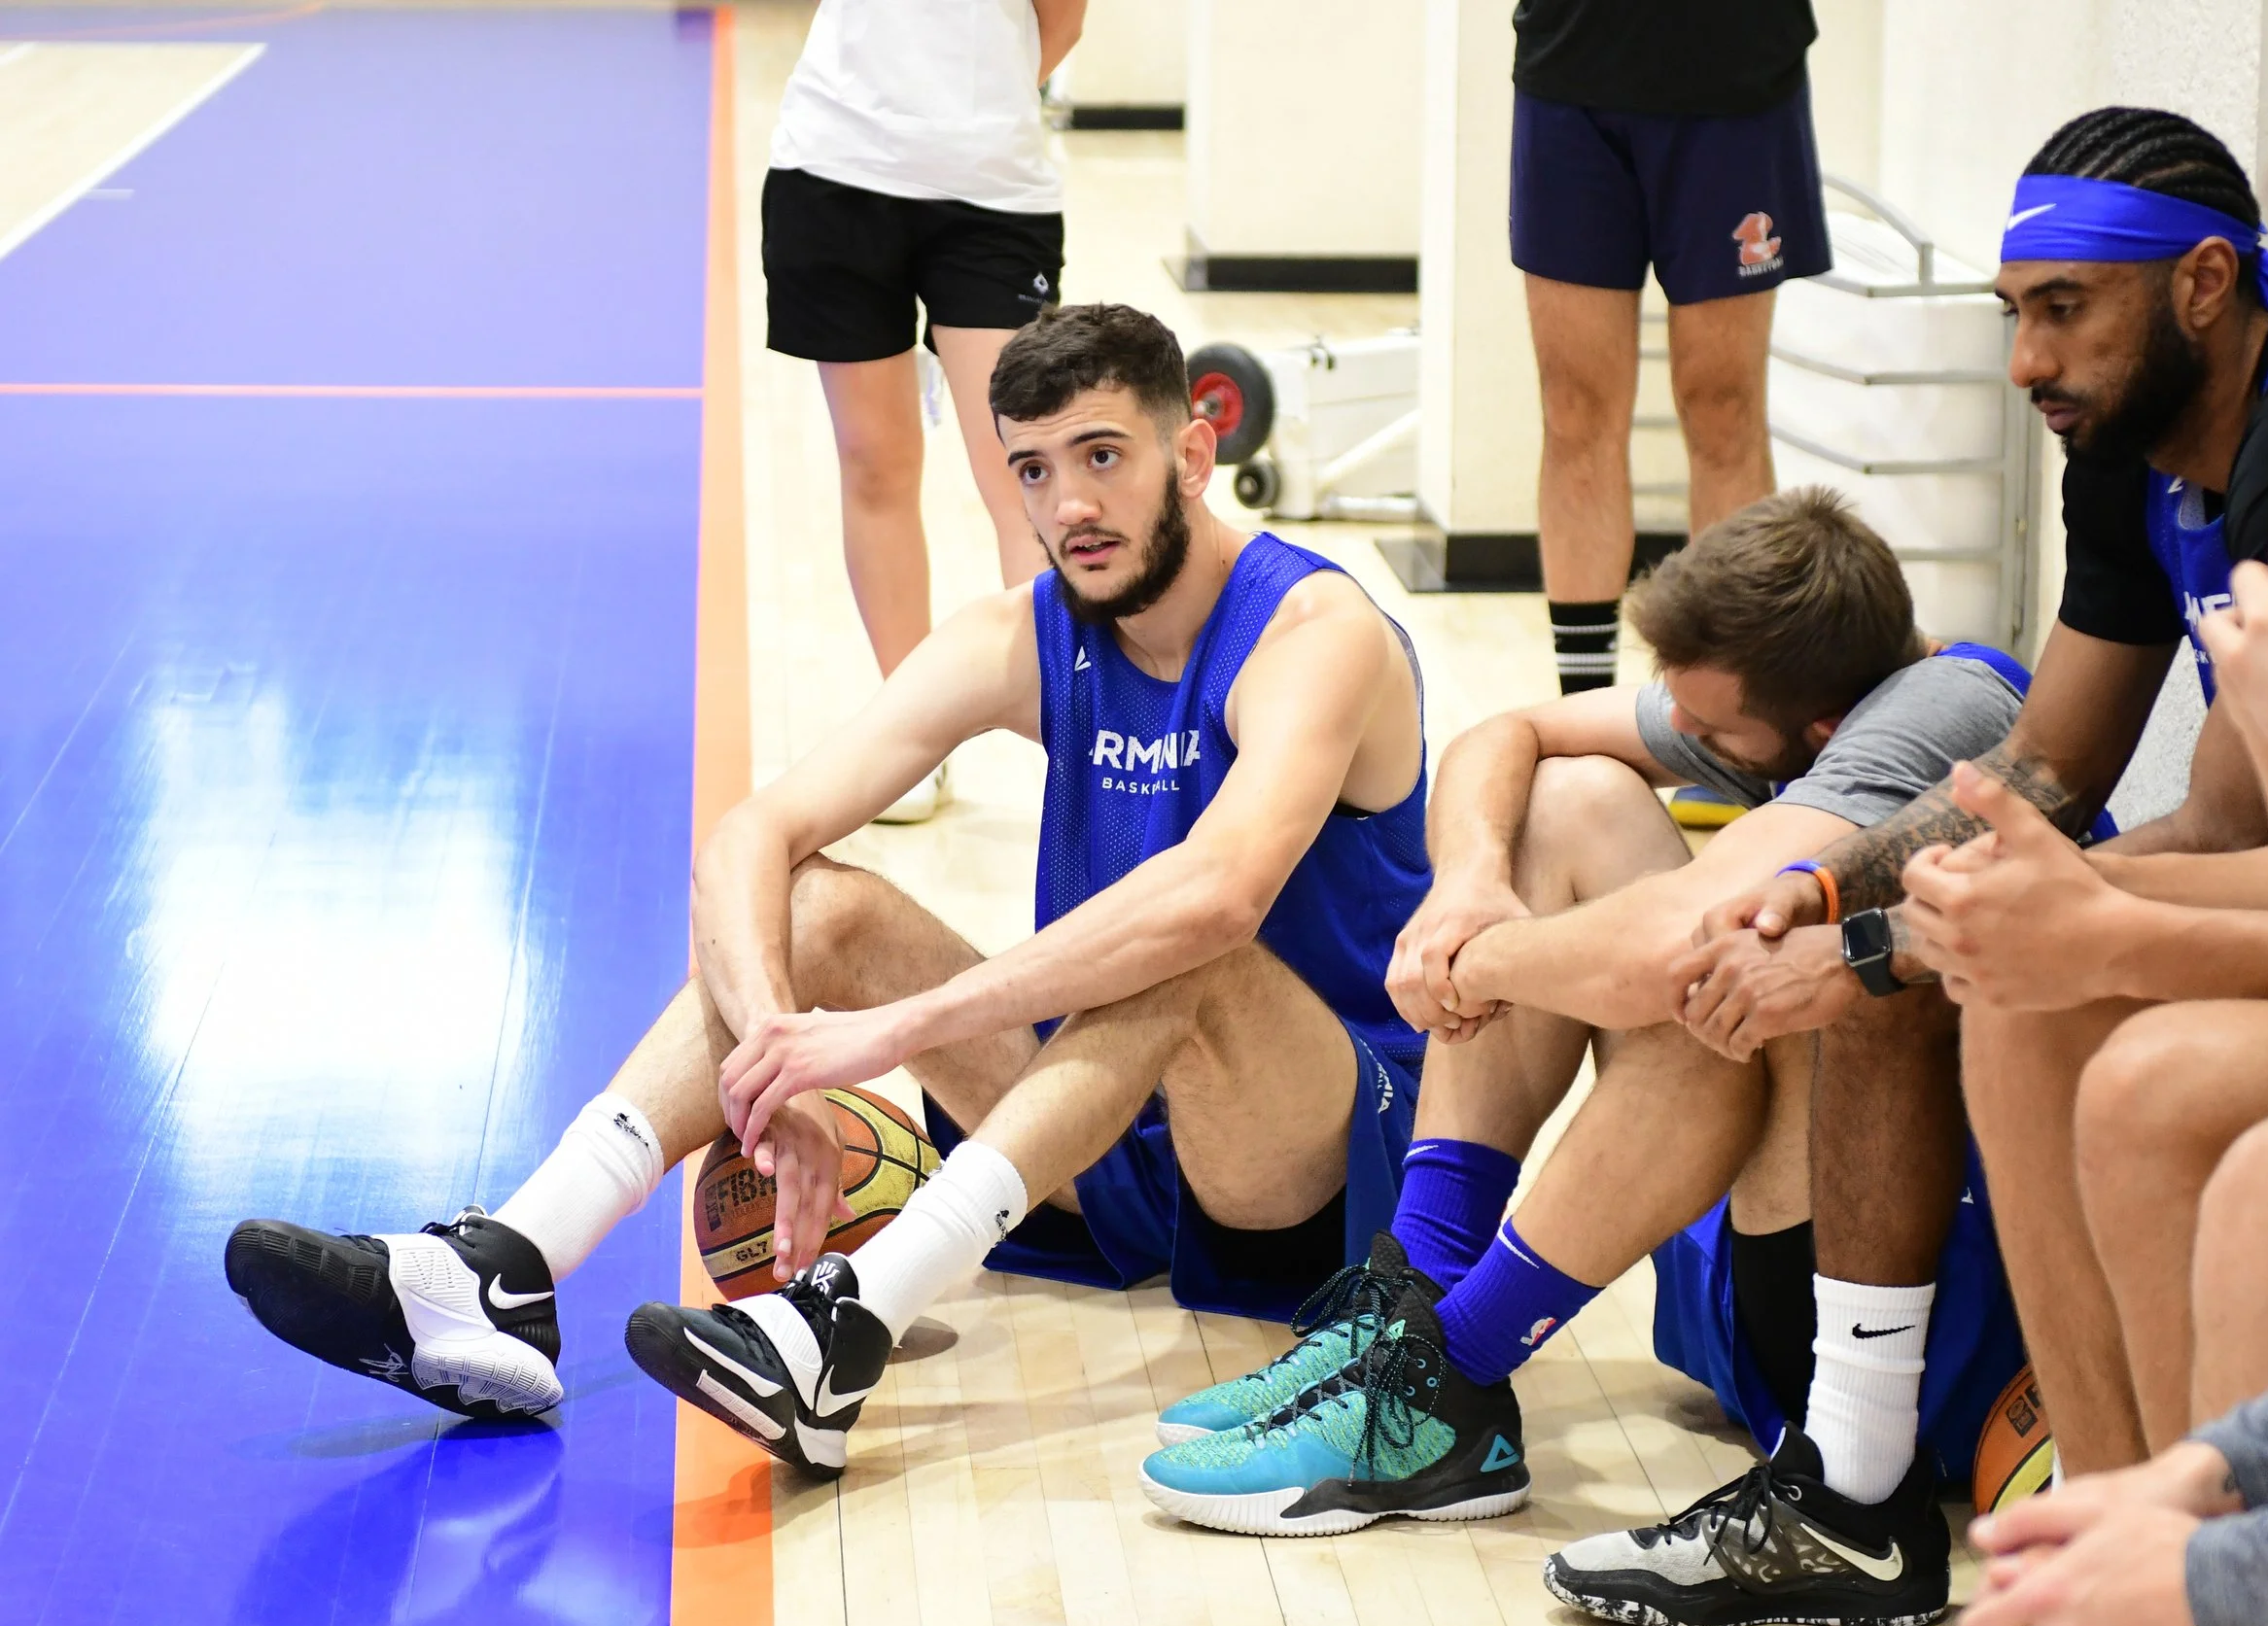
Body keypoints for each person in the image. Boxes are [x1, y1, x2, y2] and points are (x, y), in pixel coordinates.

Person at [224, 304, 1433, 1485]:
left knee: (1181, 950)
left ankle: (842, 1331)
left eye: (1103, 456)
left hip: (1312, 1145)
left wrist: (900, 1031)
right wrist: (775, 1060)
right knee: (818, 907)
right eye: (1032, 470)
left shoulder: (1314, 629)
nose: (1069, 506)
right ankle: (508, 1263)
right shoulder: (1024, 632)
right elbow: (751, 835)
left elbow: (1216, 899)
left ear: (1194, 454)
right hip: (1106, 1122)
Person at [1137, 491, 2027, 1617]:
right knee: (1569, 800)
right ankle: (1415, 1312)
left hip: (1903, 1346)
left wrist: (1482, 961)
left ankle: (1448, 1377)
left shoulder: (1939, 711)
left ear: (1813, 731)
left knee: (1730, 971)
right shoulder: (1797, 697)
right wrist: (1470, 883)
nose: (1686, 742)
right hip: (1761, 1274)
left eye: (1708, 735)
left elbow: (1675, 946)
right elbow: (1507, 734)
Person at [1961, 64, 2268, 1626]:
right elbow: (2059, 781)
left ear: (2205, 289)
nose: (2029, 360)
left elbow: (2255, 866)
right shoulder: (2145, 447)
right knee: (1979, 982)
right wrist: (1865, 903)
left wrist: (2089, 915)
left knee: (2172, 1095)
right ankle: (2100, 1587)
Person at [762, 0, 1086, 820]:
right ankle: (913, 733)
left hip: (990, 195)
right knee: (875, 462)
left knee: (1025, 474)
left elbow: (1063, 24)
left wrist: (966, 114)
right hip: (833, 172)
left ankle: (1080, 742)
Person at [1511, 0, 1830, 698]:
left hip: (1736, 74)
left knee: (1722, 405)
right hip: (1573, 67)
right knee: (1574, 410)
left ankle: (1734, 715)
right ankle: (1586, 716)